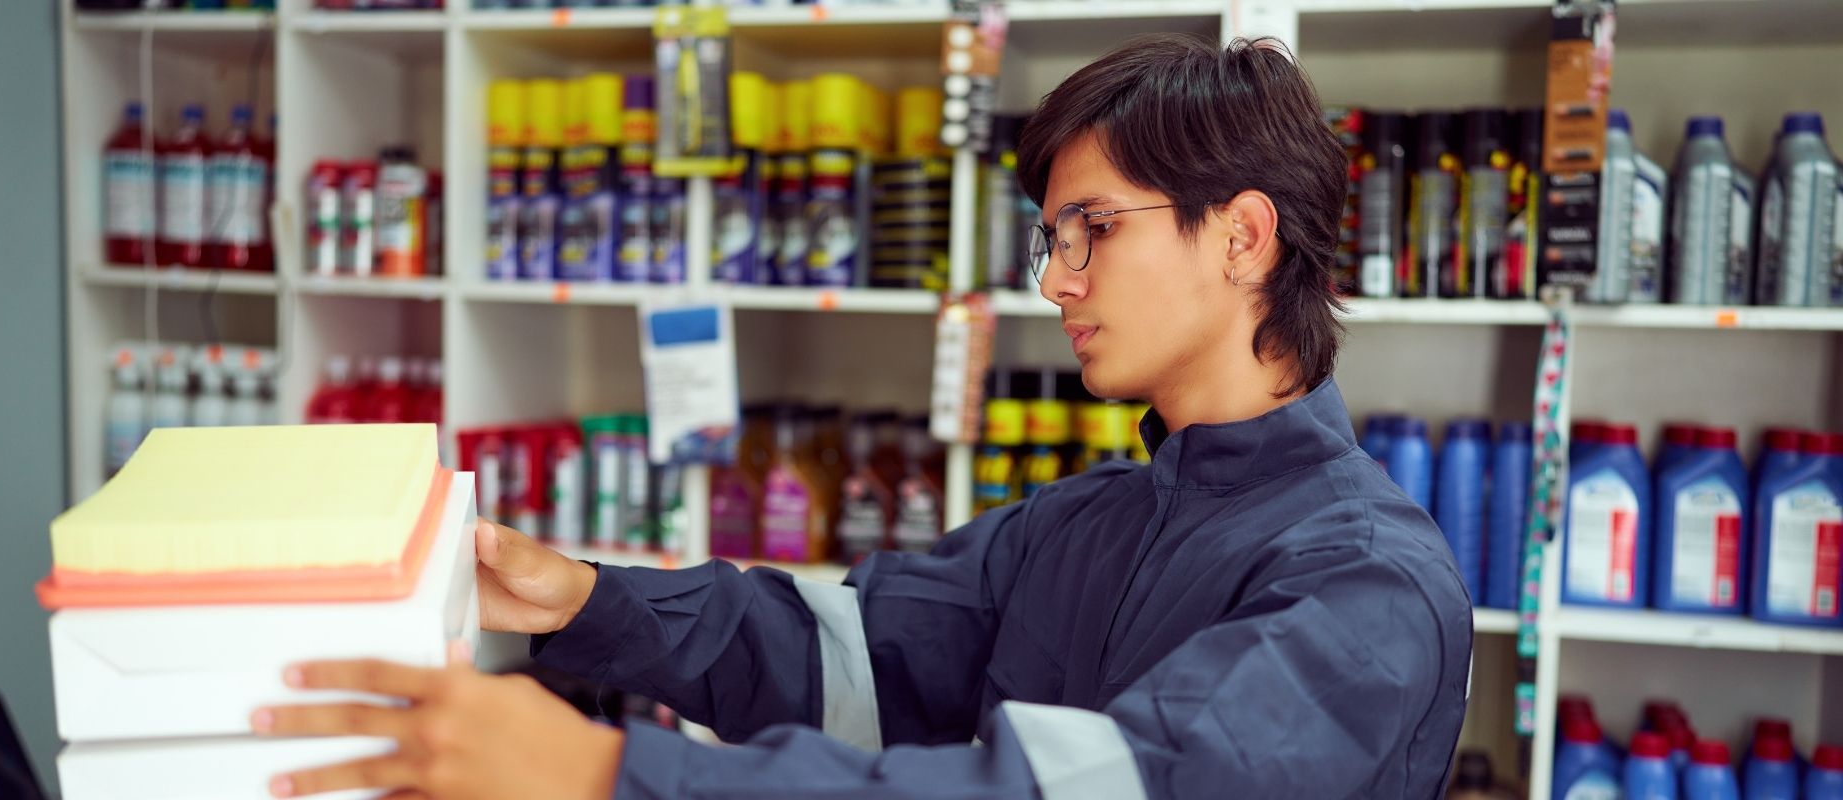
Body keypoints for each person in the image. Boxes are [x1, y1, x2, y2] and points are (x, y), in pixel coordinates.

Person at [252, 34, 1473, 799]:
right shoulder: (1083, 522)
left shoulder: (1368, 590)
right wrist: (590, 602)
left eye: (1093, 228)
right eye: (1052, 240)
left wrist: (610, 772)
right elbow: (853, 652)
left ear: (1244, 235)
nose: (1056, 279)